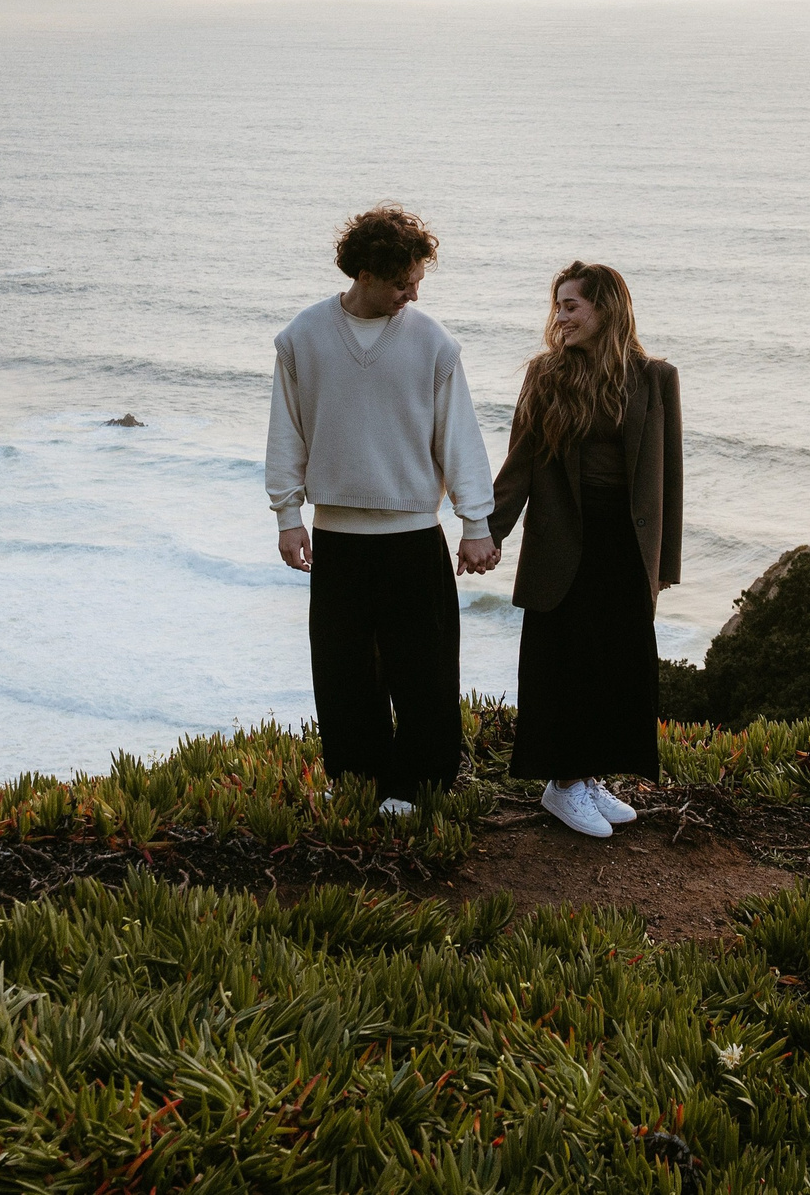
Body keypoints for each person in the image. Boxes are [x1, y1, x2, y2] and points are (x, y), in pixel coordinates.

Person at [267, 206, 500, 817]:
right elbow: (286, 435)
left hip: (413, 536)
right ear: (365, 274)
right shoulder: (302, 337)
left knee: (425, 673)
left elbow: (460, 438)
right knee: (342, 673)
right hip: (337, 537)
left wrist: (475, 524)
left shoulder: (433, 343)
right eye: (403, 283)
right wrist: (288, 516)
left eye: (417, 281)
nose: (413, 295)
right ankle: (359, 782)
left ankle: (418, 788)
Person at [488, 261, 681, 838]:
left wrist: (663, 563)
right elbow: (520, 460)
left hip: (627, 542)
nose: (561, 316)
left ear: (606, 308)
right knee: (562, 660)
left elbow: (669, 478)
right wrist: (489, 530)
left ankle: (588, 775)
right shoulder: (546, 374)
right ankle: (563, 783)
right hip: (563, 540)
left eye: (571, 305)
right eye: (558, 306)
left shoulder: (655, 377)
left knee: (615, 663)